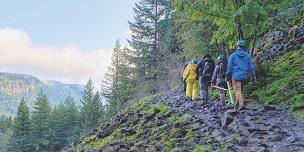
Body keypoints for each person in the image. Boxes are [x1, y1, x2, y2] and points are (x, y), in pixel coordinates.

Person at [226, 40, 256, 112]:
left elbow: (229, 67)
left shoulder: (233, 55)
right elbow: (251, 66)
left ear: (238, 46)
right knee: (240, 90)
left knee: (237, 91)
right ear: (244, 47)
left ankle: (241, 105)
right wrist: (253, 75)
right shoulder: (248, 55)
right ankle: (236, 105)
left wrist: (227, 76)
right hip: (244, 76)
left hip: (236, 76)